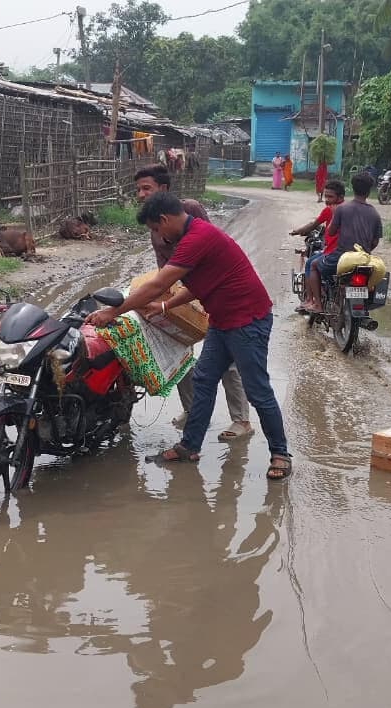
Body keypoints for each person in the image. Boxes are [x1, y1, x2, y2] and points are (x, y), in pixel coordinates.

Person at [86, 192, 292, 481]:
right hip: (222, 322)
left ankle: (281, 454)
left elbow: (158, 284)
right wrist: (167, 306)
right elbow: (199, 285)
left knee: (257, 389)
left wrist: (114, 311)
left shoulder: (198, 237)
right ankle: (189, 447)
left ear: (164, 219)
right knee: (204, 380)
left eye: (156, 229)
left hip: (248, 321)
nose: (157, 236)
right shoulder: (187, 239)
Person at [133, 164, 252, 441]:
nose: (140, 194)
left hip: (209, 291)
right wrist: (161, 302)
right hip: (180, 292)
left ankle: (241, 420)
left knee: (225, 355)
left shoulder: (189, 210)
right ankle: (194, 410)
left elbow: (212, 249)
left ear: (163, 189)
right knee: (177, 352)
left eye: (146, 188)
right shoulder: (153, 224)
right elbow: (163, 270)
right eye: (137, 189)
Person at [289, 179, 345, 312]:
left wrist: (298, 231)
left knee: (311, 264)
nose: (327, 200)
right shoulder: (349, 208)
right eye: (325, 196)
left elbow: (313, 225)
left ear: (340, 197)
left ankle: (312, 301)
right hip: (350, 252)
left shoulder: (331, 210)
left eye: (330, 197)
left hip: (334, 252)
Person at [321, 172, 382, 284]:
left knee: (315, 265)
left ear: (353, 189)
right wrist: (364, 251)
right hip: (364, 259)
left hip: (341, 256)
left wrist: (334, 215)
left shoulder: (342, 208)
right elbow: (375, 241)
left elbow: (330, 232)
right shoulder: (375, 213)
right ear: (368, 192)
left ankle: (318, 301)